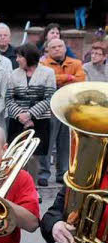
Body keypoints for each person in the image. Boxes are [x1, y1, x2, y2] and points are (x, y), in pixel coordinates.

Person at [6, 43, 56, 186]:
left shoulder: (48, 73)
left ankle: (32, 189)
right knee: (17, 156)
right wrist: (21, 116)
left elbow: (49, 97)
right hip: (17, 121)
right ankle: (16, 188)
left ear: (28, 57)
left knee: (33, 157)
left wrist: (30, 115)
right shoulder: (14, 74)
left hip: (40, 121)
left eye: (20, 56)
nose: (17, 59)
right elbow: (9, 98)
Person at [42, 36, 86, 184]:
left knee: (65, 142)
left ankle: (62, 173)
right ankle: (43, 174)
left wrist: (59, 78)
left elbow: (80, 80)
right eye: (53, 47)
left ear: (65, 48)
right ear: (47, 50)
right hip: (50, 107)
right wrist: (68, 77)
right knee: (48, 142)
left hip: (69, 106)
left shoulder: (77, 63)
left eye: (60, 46)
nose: (57, 49)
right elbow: (47, 79)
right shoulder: (43, 65)